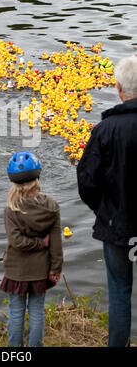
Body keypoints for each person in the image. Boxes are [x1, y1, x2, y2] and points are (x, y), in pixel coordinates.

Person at [77, 55, 137, 347]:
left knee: (119, 291)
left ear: (118, 89)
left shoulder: (105, 130)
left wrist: (105, 210)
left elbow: (87, 180)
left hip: (118, 226)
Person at [0, 151, 63, 347]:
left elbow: (16, 241)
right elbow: (56, 242)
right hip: (40, 270)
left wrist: (35, 244)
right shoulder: (51, 207)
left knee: (16, 312)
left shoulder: (11, 208)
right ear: (37, 177)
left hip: (16, 270)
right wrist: (56, 268)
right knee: (36, 311)